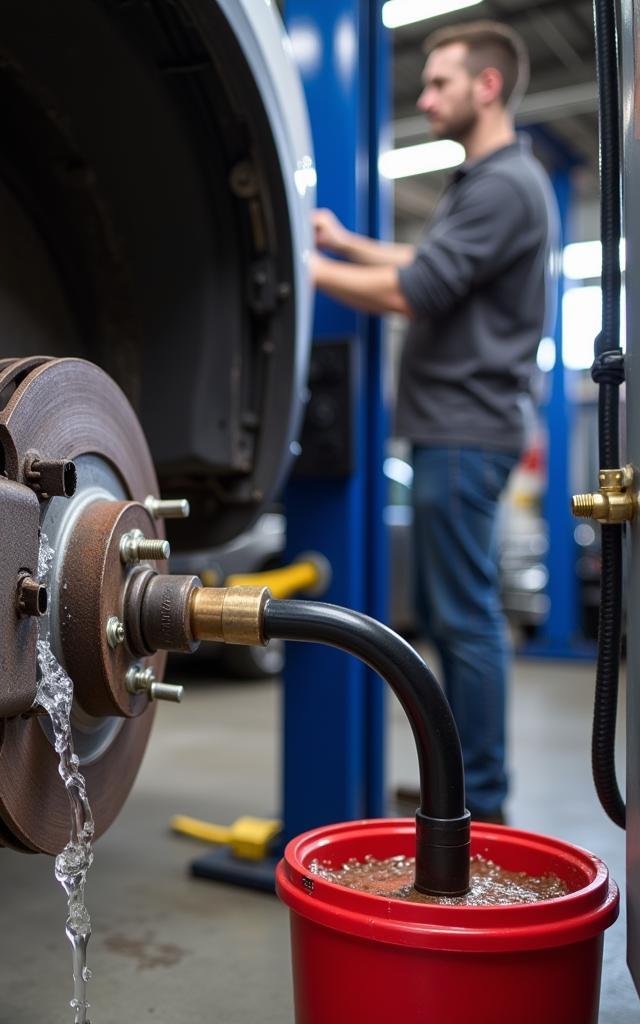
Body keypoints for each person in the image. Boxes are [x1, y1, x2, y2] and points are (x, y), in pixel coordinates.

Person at [311, 21, 556, 823]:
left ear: (486, 87)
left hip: (462, 429)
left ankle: (480, 800)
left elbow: (414, 292)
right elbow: (422, 264)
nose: (424, 98)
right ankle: (468, 785)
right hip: (456, 428)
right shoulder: (489, 181)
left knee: (465, 621)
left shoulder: (503, 184)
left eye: (440, 83)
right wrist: (347, 242)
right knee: (458, 617)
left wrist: (309, 265)